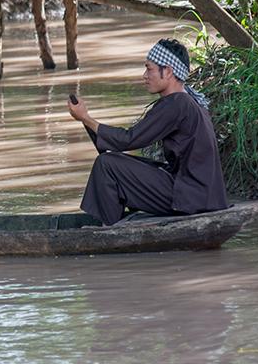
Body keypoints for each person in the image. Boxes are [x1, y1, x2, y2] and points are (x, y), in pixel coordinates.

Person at [67, 38, 228, 225]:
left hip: (192, 197)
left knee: (106, 164)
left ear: (168, 71)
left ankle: (110, 231)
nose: (145, 75)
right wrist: (86, 121)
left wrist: (86, 118)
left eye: (149, 69)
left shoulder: (177, 104)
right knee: (114, 160)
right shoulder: (186, 101)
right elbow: (124, 144)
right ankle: (112, 224)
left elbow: (129, 140)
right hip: (200, 193)